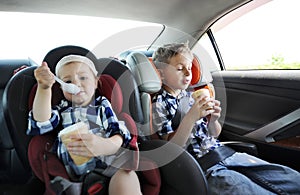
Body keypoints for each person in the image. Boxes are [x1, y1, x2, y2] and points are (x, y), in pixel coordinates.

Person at [151, 42, 300, 195]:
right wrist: (191, 117)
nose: (188, 73)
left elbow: (213, 134)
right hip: (202, 165)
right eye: (180, 69)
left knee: (292, 179)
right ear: (160, 74)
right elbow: (171, 149)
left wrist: (214, 119)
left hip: (223, 153)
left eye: (189, 68)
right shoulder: (159, 103)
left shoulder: (190, 96)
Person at [27, 54, 142, 195]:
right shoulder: (62, 110)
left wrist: (104, 145)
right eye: (68, 81)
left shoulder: (101, 106)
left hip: (110, 169)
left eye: (83, 77)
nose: (75, 83)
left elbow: (119, 134)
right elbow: (42, 121)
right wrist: (44, 88)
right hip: (74, 180)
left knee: (126, 178)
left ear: (95, 82)